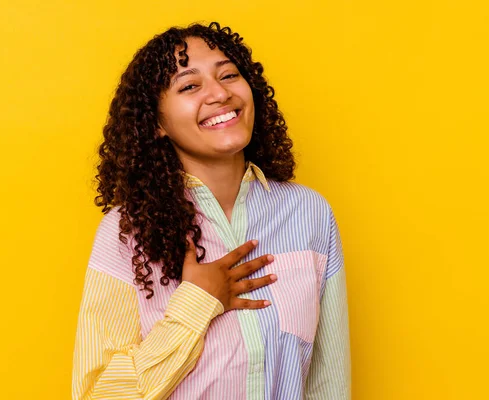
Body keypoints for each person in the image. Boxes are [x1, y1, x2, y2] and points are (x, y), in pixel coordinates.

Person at [71, 21, 351, 400]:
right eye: (190, 85)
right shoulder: (125, 233)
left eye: (229, 75)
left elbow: (327, 382)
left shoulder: (309, 213)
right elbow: (97, 396)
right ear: (156, 123)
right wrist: (197, 303)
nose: (220, 93)